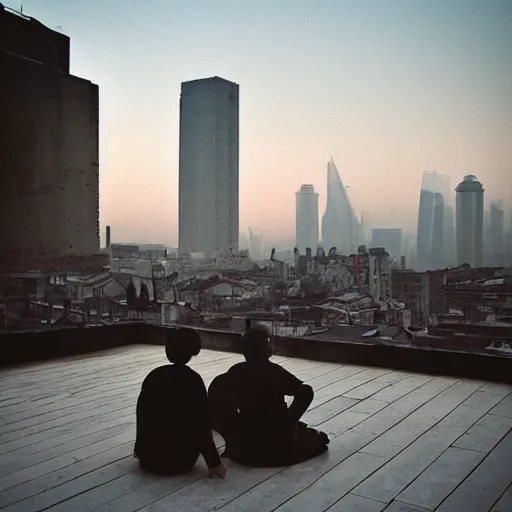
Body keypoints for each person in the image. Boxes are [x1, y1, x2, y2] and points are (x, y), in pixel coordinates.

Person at [209, 324, 329, 467]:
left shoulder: (236, 372)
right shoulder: (275, 371)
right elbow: (305, 391)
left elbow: (215, 391)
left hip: (248, 446)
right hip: (279, 444)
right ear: (268, 349)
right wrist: (289, 419)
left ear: (244, 350)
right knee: (317, 439)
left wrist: (233, 425)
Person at [134, 327, 226, 479]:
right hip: (181, 461)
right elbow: (202, 425)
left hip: (148, 458)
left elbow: (142, 415)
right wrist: (214, 463)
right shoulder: (193, 380)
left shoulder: (154, 376)